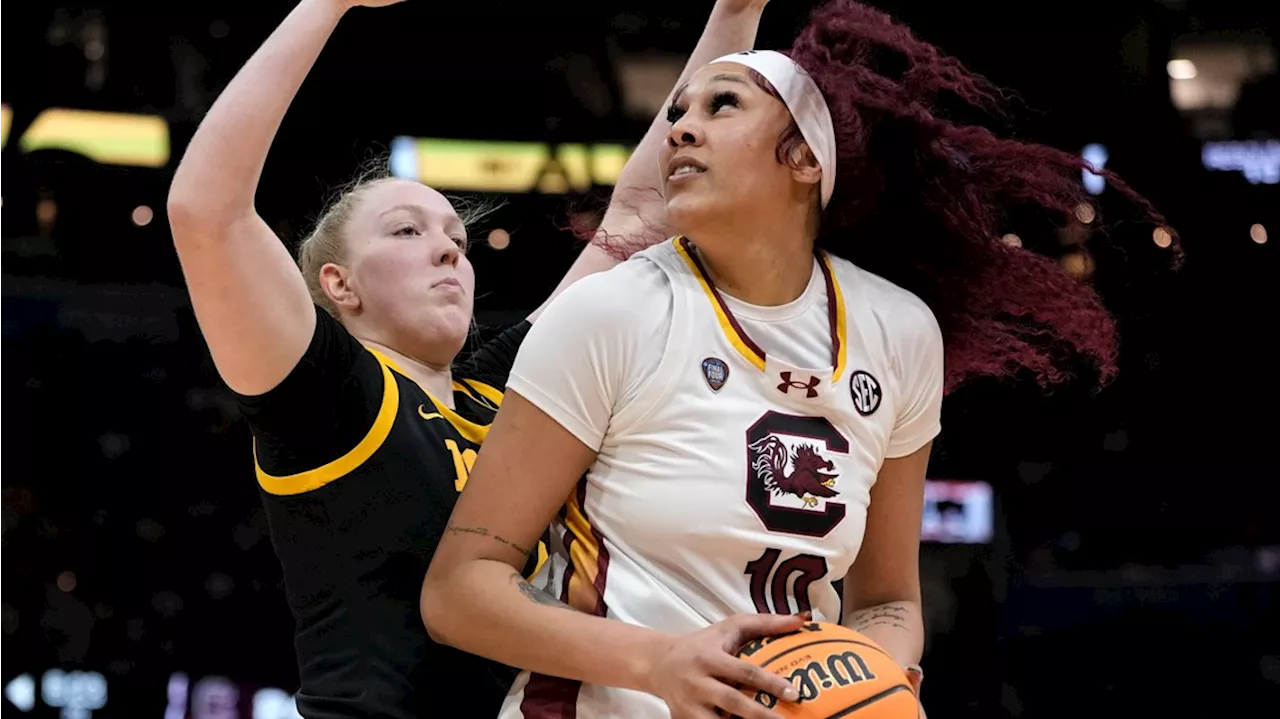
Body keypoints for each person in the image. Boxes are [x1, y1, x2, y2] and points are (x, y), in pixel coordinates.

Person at [420, 1, 1174, 718]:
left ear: (806, 159)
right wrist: (657, 662)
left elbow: (888, 601)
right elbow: (459, 591)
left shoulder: (897, 331)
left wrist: (864, 680)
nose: (681, 129)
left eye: (722, 107)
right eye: (677, 112)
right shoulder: (610, 313)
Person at [164, 0, 775, 716]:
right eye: (407, 230)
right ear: (340, 284)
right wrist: (325, 5)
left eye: (455, 234)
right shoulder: (329, 394)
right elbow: (204, 211)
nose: (450, 247)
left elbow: (641, 219)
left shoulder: (499, 396)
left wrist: (738, 11)